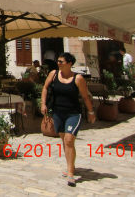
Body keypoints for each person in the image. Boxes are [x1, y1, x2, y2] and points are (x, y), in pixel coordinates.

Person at [41, 52, 96, 187]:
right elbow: (45, 87)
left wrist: (91, 111)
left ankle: (70, 174)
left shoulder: (78, 78)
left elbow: (85, 97)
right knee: (64, 141)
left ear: (69, 63)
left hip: (73, 114)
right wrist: (43, 104)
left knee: (69, 140)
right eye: (58, 61)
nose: (58, 63)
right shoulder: (54, 74)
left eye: (61, 61)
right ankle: (70, 165)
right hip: (58, 113)